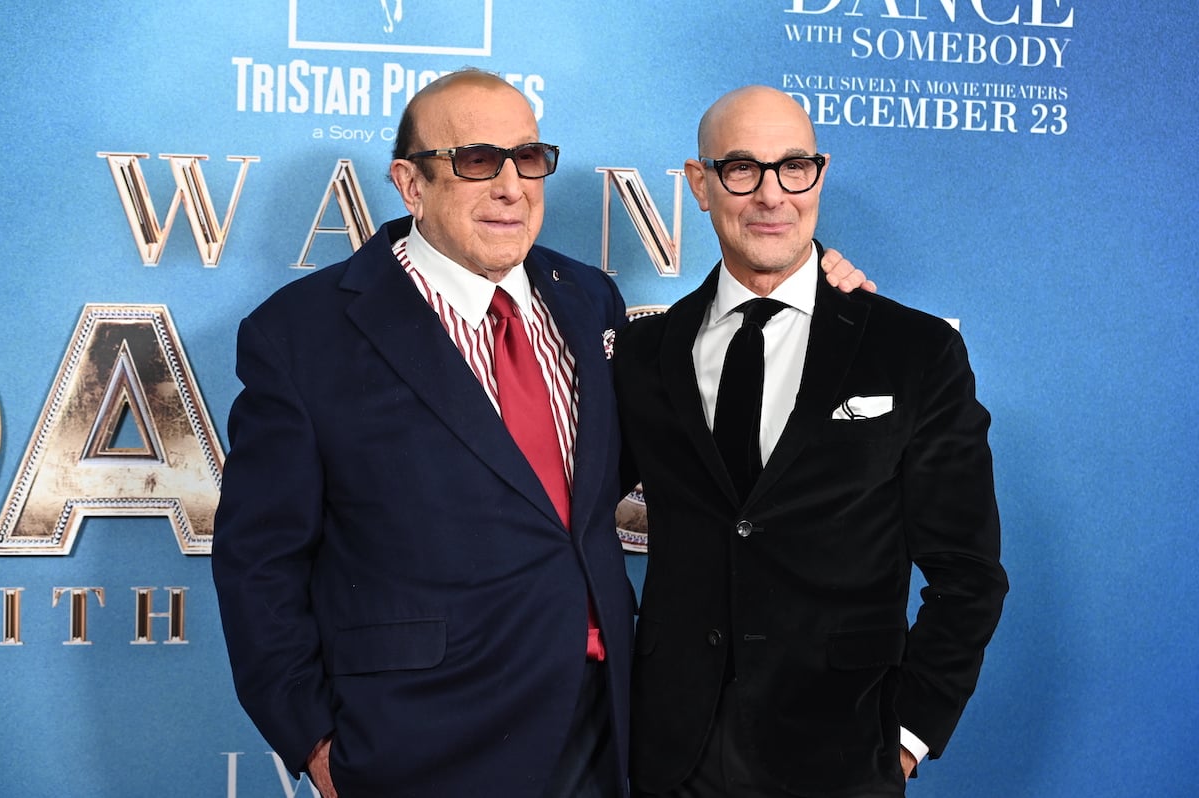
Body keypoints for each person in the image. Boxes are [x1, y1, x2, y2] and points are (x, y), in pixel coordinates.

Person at [212, 69, 870, 798]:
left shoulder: (588, 298)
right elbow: (257, 561)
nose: (509, 185)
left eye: (527, 158)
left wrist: (812, 294)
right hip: (420, 741)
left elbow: (644, 462)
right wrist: (314, 741)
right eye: (475, 160)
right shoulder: (303, 333)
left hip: (605, 726)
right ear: (410, 183)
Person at [614, 86, 1008, 798]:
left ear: (819, 175)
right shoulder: (644, 353)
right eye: (741, 168)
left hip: (844, 756)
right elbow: (563, 515)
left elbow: (969, 573)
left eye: (794, 166)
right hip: (673, 757)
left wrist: (910, 735)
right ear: (699, 184)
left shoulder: (912, 351)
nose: (772, 195)